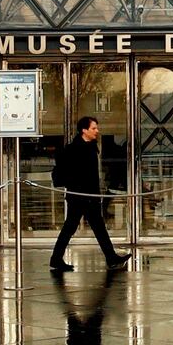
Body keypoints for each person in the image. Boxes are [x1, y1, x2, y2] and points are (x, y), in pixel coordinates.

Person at [49, 115, 122, 272]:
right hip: (80, 197)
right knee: (72, 227)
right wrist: (88, 194)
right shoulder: (76, 149)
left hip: (89, 196)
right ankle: (56, 259)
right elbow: (77, 175)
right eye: (93, 128)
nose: (97, 131)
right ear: (84, 130)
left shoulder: (90, 147)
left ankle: (111, 257)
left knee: (97, 227)